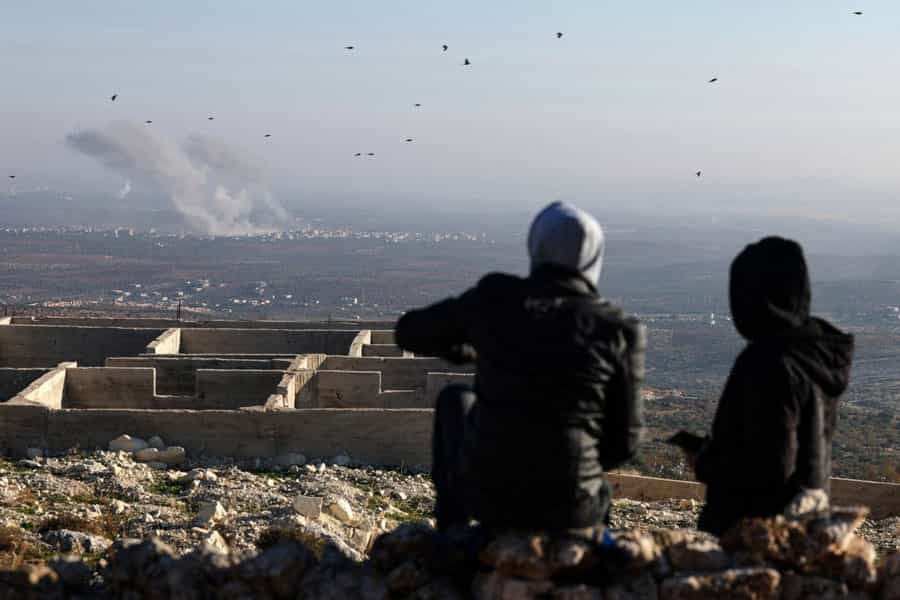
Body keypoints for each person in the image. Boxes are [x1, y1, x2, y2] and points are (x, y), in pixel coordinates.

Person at [395, 201, 646, 534]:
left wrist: (470, 348)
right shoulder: (619, 329)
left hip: (490, 498)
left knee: (455, 400)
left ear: (536, 245)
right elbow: (625, 441)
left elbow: (410, 332)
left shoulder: (496, 299)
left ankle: (452, 535)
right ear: (594, 258)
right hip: (573, 506)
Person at [690, 236, 854, 536]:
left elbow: (769, 467)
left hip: (755, 534)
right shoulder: (814, 354)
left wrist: (706, 461)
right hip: (804, 526)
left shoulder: (767, 362)